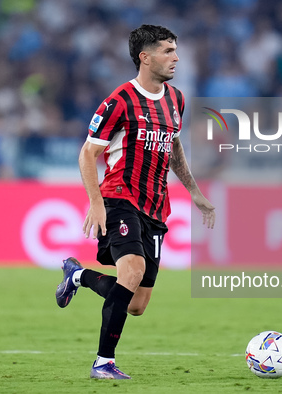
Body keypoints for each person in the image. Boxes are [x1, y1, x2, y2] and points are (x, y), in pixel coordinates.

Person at [54, 25, 215, 379]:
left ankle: (78, 274)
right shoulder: (119, 101)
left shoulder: (177, 100)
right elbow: (87, 153)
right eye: (168, 51)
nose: (176, 57)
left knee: (137, 305)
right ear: (145, 57)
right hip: (119, 199)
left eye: (175, 50)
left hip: (156, 208)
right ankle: (103, 363)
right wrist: (96, 202)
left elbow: (172, 147)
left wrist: (195, 193)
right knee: (132, 271)